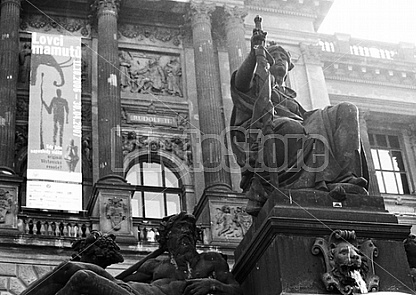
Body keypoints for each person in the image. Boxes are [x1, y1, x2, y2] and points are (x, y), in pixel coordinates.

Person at [230, 21, 368, 215]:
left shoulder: (290, 96)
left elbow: (307, 117)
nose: (278, 59)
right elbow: (240, 83)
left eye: (283, 57)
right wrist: (255, 53)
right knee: (290, 128)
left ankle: (345, 178)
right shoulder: (257, 83)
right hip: (263, 130)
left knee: (347, 110)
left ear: (289, 67)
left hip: (301, 124)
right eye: (274, 56)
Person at [21, 212, 242, 295]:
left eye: (188, 232)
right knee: (69, 268)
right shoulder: (156, 263)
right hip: (130, 291)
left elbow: (235, 289)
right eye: (177, 232)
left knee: (82, 278)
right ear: (167, 241)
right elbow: (117, 282)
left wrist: (213, 285)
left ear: (195, 237)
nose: (184, 236)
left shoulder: (211, 260)